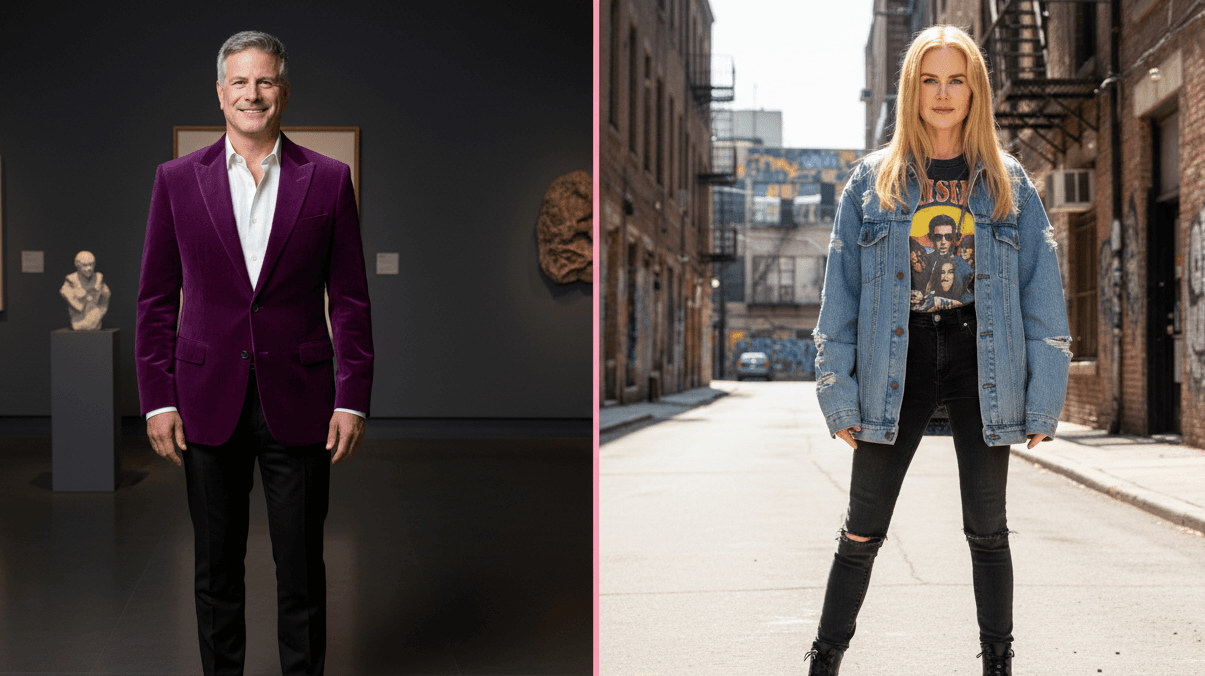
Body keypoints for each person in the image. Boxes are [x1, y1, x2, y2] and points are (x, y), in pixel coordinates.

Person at [806, 25, 1070, 676]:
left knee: (987, 531)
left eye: (956, 80)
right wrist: (835, 390)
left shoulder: (1006, 182)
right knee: (860, 529)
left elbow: (1041, 289)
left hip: (982, 355)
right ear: (910, 90)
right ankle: (823, 661)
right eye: (929, 80)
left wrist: (1042, 398)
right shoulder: (874, 181)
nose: (943, 93)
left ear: (974, 90)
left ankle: (997, 665)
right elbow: (839, 291)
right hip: (899, 358)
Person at [135, 31, 373, 676]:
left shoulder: (327, 181)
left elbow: (349, 299)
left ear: (284, 91)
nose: (252, 94)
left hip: (300, 399)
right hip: (205, 397)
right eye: (239, 82)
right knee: (216, 568)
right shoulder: (177, 181)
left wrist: (352, 398)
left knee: (300, 568)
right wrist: (156, 398)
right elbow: (156, 298)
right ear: (220, 94)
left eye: (264, 81)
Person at [60, 250, 111, 330]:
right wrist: (79, 300)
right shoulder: (71, 281)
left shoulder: (98, 279)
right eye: (85, 265)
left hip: (95, 316)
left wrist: (99, 312)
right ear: (78, 266)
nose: (89, 268)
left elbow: (106, 297)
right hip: (79, 320)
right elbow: (77, 305)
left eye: (91, 265)